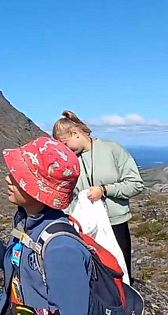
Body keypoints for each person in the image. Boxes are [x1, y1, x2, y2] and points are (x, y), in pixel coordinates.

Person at [0, 136, 92, 315]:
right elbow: (22, 267)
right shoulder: (26, 221)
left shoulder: (62, 247)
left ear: (40, 188)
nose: (7, 178)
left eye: (18, 175)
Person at [52, 110, 144, 277]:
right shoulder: (69, 160)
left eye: (65, 145)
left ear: (75, 133)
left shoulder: (112, 149)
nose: (64, 151)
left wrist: (105, 190)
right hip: (85, 230)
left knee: (120, 275)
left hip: (115, 225)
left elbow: (136, 184)